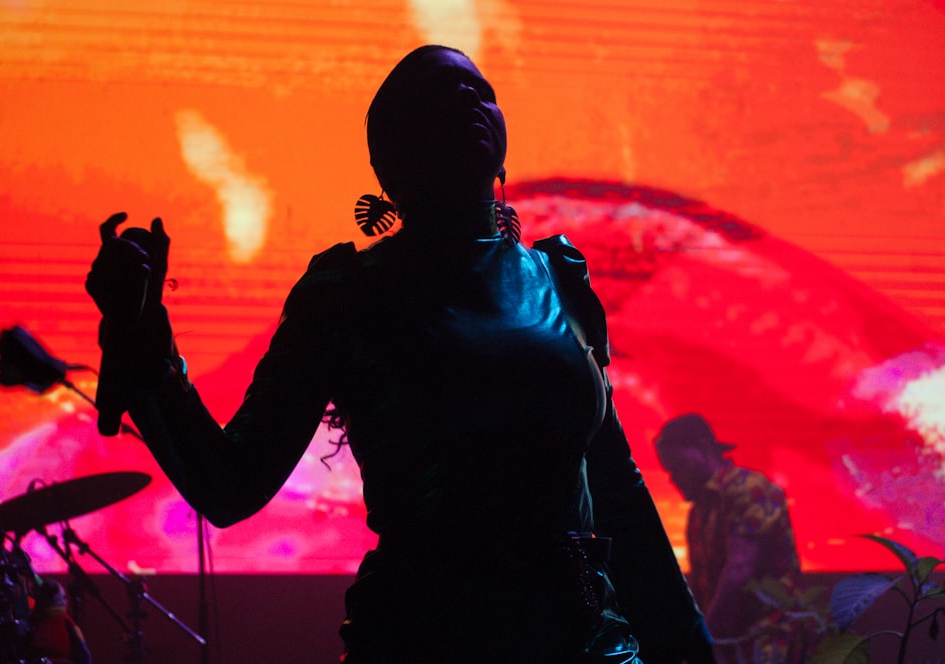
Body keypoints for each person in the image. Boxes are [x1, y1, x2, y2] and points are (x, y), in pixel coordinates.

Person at [85, 45, 713, 663]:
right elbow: (230, 485)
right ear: (390, 158)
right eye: (438, 95)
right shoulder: (347, 293)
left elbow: (613, 485)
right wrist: (144, 346)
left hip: (577, 634)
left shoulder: (561, 278)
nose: (468, 98)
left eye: (481, 90)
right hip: (428, 634)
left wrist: (686, 644)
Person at [654, 414, 803, 663]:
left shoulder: (749, 490)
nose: (673, 478)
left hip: (767, 646)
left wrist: (703, 640)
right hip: (733, 649)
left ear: (704, 447)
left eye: (678, 467)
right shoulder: (699, 511)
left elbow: (738, 570)